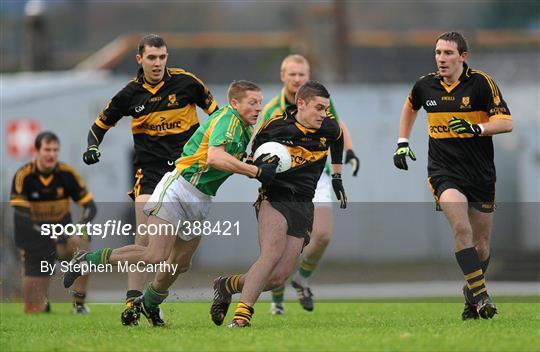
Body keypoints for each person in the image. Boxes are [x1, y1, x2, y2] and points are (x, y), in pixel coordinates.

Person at [64, 80, 278, 326]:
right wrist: (256, 172)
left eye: (260, 103)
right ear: (234, 103)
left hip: (201, 198)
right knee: (156, 254)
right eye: (252, 102)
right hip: (179, 189)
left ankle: (150, 303)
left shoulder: (244, 127)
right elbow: (216, 157)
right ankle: (86, 260)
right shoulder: (227, 119)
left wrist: (257, 163)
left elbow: (231, 157)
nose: (258, 108)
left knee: (180, 263)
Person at [80, 34, 218, 325]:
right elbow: (98, 126)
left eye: (162, 57)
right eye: (151, 58)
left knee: (181, 260)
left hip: (186, 174)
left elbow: (217, 117)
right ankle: (132, 301)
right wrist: (92, 146)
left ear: (167, 57)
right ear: (139, 59)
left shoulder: (188, 83)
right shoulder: (130, 94)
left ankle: (152, 300)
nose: (157, 63)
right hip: (150, 175)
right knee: (145, 241)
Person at [392, 32, 512, 320]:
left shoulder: (482, 83)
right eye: (437, 53)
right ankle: (482, 297)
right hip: (444, 171)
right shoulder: (425, 85)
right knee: (461, 229)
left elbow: (506, 122)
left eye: (447, 53)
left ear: (463, 56)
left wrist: (476, 129)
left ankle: (470, 295)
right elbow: (410, 107)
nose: (441, 59)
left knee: (481, 245)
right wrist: (402, 142)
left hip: (481, 173)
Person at [211, 80, 347, 328]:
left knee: (277, 279)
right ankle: (242, 317)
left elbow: (338, 137)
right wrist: (265, 165)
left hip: (304, 205)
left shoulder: (328, 127)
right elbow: (253, 158)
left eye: (326, 109)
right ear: (301, 103)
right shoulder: (275, 127)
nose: (324, 114)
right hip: (275, 198)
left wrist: (336, 175)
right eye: (318, 108)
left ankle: (226, 285)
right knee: (271, 254)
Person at [260, 54, 359, 315]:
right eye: (292, 74)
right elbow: (260, 149)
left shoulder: (320, 102)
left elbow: (337, 127)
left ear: (308, 76)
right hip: (283, 184)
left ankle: (301, 278)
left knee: (323, 234)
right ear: (283, 76)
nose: (297, 78)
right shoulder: (271, 111)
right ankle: (277, 296)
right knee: (277, 246)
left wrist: (348, 152)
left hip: (317, 176)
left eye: (302, 74)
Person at [10, 131, 97, 314]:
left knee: (82, 241)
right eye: (47, 149)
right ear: (37, 151)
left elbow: (90, 206)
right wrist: (51, 232)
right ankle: (43, 300)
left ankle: (79, 304)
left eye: (55, 150)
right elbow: (23, 219)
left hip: (63, 241)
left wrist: (81, 224)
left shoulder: (66, 174)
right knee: (33, 310)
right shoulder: (23, 176)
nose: (52, 154)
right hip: (35, 242)